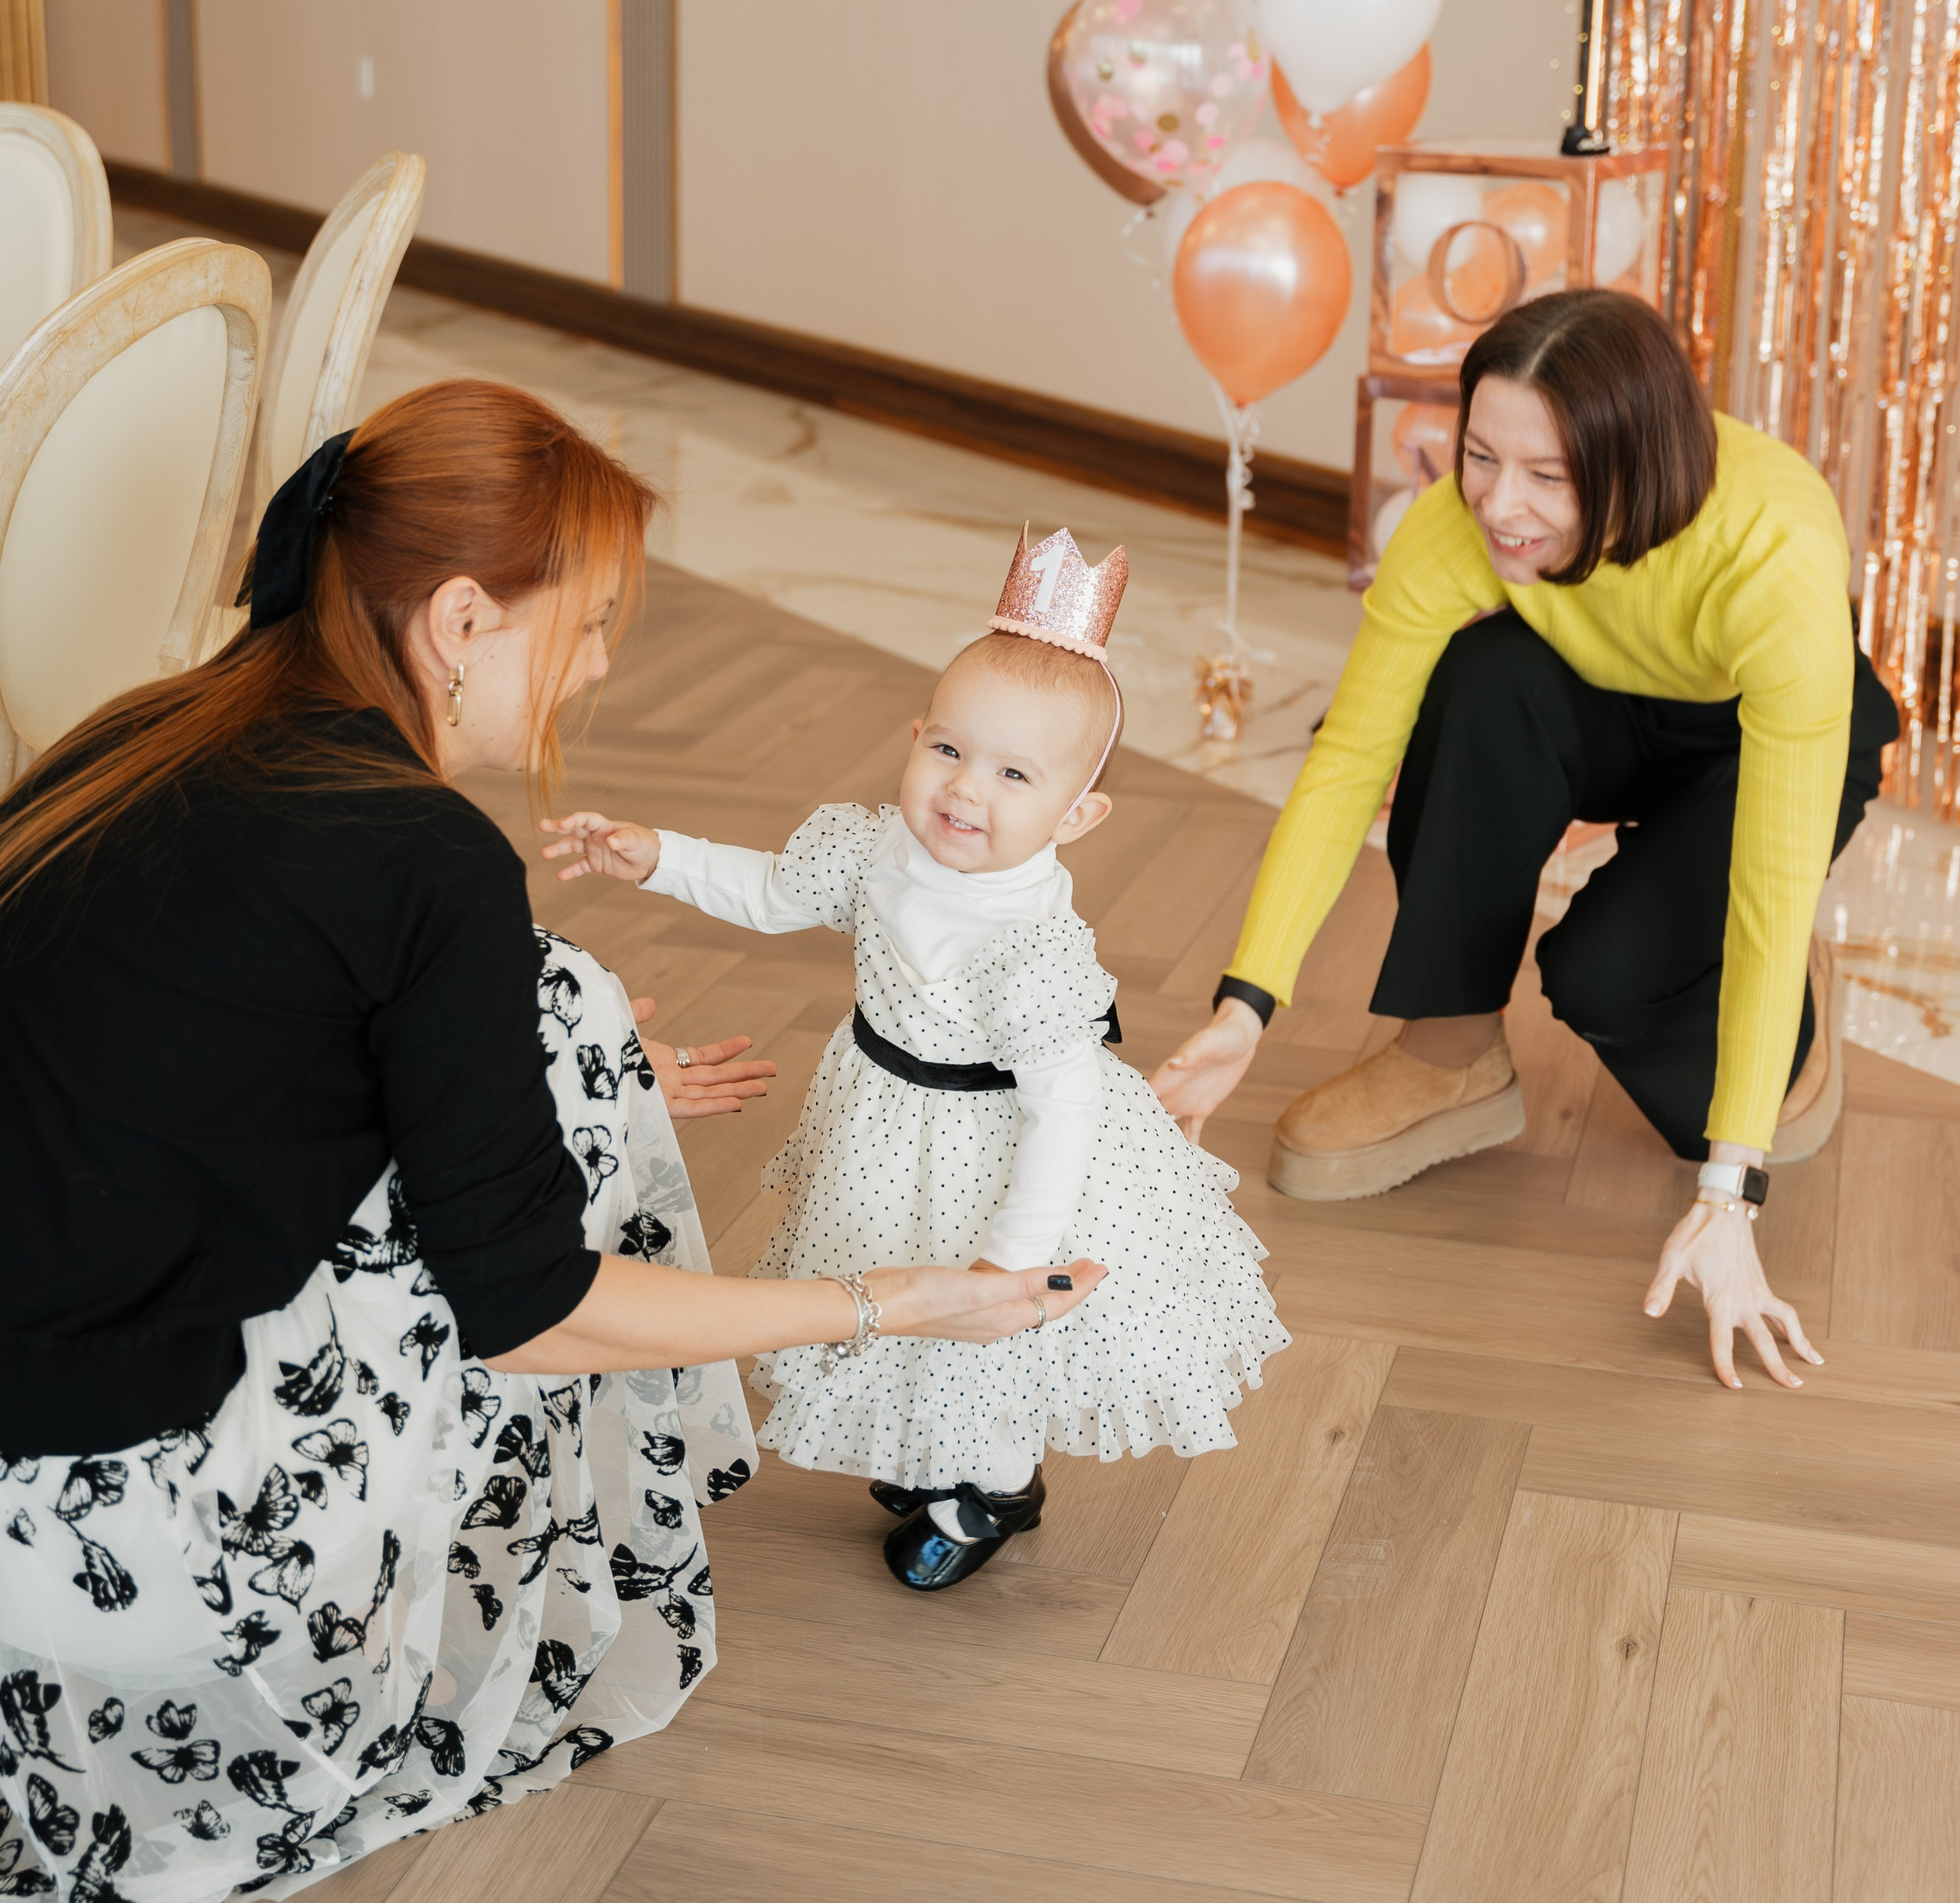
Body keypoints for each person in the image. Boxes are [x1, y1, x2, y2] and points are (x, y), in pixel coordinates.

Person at [0, 381, 1100, 1901]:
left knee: (559, 1009)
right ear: (460, 619)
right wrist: (899, 1301)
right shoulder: (425, 855)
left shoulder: (149, 727)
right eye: (583, 626)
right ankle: (486, 1606)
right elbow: (534, 1315)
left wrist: (536, 1042)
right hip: (99, 1539)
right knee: (555, 1056)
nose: (595, 668)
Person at [1151, 290, 1898, 1394]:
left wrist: (1728, 1189)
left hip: (1758, 738)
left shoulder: (1773, 548)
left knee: (1607, 975)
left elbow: (1772, 883)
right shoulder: (1467, 520)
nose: (1501, 505)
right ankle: (1449, 1049)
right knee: (1479, 679)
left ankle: (1790, 1020)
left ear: (1634, 464)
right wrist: (1243, 1005)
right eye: (1480, 456)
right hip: (1603, 693)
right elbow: (1350, 756)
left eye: (1548, 476)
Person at [545, 525, 1287, 1591]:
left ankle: (986, 1488)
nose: (964, 789)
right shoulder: (875, 845)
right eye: (948, 748)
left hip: (993, 1155)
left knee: (970, 1330)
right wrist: (658, 856)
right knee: (885, 1285)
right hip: (885, 1121)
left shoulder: (1028, 943)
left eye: (1014, 773)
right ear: (916, 733)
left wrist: (1011, 1264)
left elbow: (1064, 1109)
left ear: (1079, 813)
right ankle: (927, 1447)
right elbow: (769, 890)